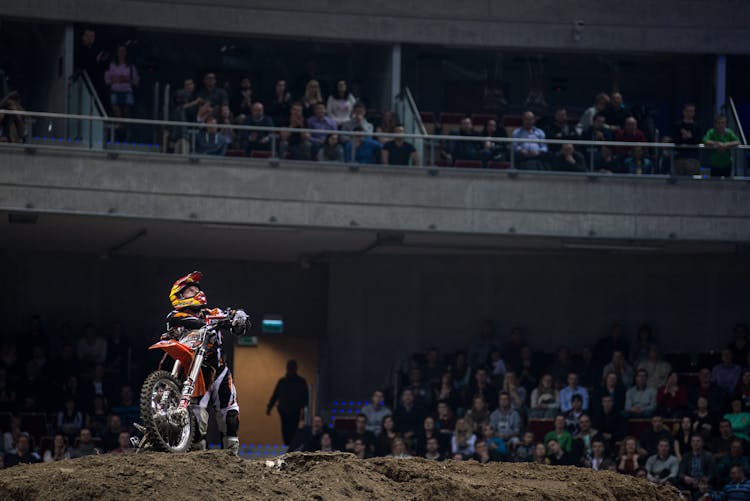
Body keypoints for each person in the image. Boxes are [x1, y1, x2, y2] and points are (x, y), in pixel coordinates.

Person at [165, 271, 250, 454]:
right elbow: (179, 322)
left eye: (196, 288)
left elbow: (235, 322)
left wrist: (238, 317)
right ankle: (197, 464)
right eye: (190, 290)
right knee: (197, 423)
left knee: (230, 417)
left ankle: (232, 460)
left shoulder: (214, 313)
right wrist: (206, 324)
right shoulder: (176, 316)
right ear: (179, 296)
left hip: (219, 370)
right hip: (194, 373)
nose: (196, 291)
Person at [267, 359, 309, 447]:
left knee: (292, 430)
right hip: (285, 410)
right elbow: (275, 395)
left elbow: (305, 397)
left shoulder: (299, 381)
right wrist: (269, 407)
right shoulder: (283, 381)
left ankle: (291, 446)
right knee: (286, 430)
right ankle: (289, 446)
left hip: (294, 410)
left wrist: (304, 411)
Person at [104, 45, 139, 139]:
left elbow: (136, 81)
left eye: (123, 51)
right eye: (120, 51)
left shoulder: (131, 67)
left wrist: (126, 80)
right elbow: (107, 80)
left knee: (127, 111)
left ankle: (125, 131)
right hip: (115, 91)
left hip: (127, 91)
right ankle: (120, 128)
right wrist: (115, 79)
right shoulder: (111, 65)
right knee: (116, 110)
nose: (121, 53)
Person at [673, 103, 703, 176]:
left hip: (693, 157)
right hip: (680, 158)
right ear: (684, 112)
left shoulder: (697, 126)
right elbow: (674, 139)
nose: (689, 113)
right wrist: (682, 137)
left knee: (693, 181)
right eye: (688, 111)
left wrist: (690, 137)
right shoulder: (678, 125)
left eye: (692, 111)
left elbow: (699, 140)